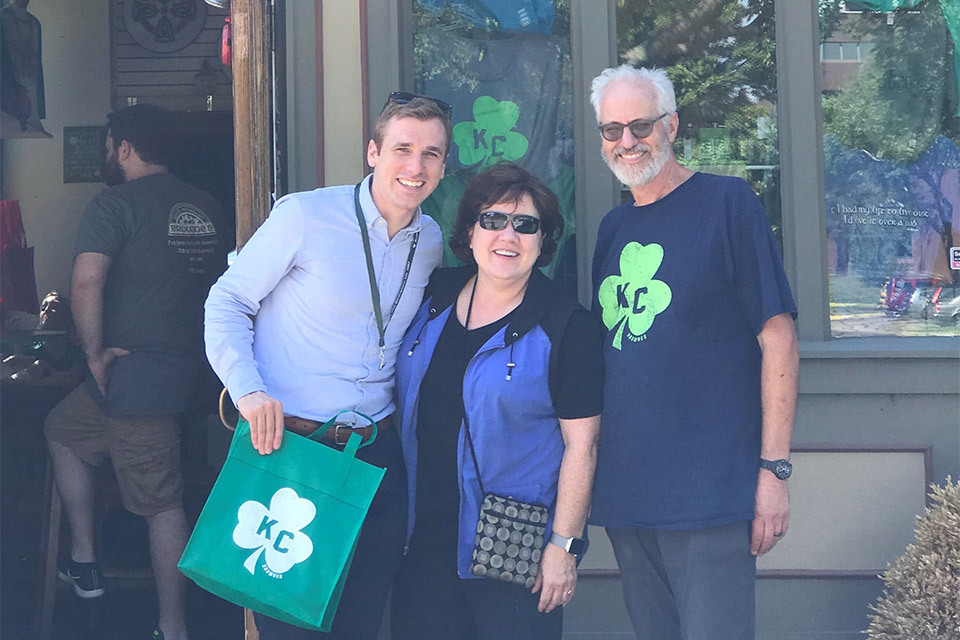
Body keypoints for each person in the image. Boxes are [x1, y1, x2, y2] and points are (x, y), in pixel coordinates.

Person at [203, 93, 449, 639]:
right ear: (372, 152)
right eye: (402, 149)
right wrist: (247, 391)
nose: (415, 166)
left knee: (360, 624)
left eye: (431, 154)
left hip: (376, 457)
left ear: (443, 166)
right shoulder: (305, 215)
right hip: (293, 450)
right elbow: (226, 302)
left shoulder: (428, 240)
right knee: (290, 626)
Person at [588, 65, 799, 640]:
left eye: (639, 125)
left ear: (671, 124)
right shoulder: (612, 229)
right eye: (611, 130)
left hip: (710, 493)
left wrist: (773, 469)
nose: (626, 142)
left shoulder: (728, 204)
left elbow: (777, 337)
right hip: (627, 491)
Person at [391, 162, 604, 640]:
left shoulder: (568, 326)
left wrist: (563, 547)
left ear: (543, 241)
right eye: (493, 220)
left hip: (511, 547)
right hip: (419, 538)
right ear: (469, 231)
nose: (508, 235)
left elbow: (582, 447)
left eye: (526, 225)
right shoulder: (434, 297)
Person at [43, 104, 227, 640]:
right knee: (62, 428)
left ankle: (173, 628)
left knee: (161, 505)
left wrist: (94, 354)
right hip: (196, 379)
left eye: (109, 145)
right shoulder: (210, 206)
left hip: (136, 381)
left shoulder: (113, 204)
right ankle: (84, 560)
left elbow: (85, 282)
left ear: (124, 147)